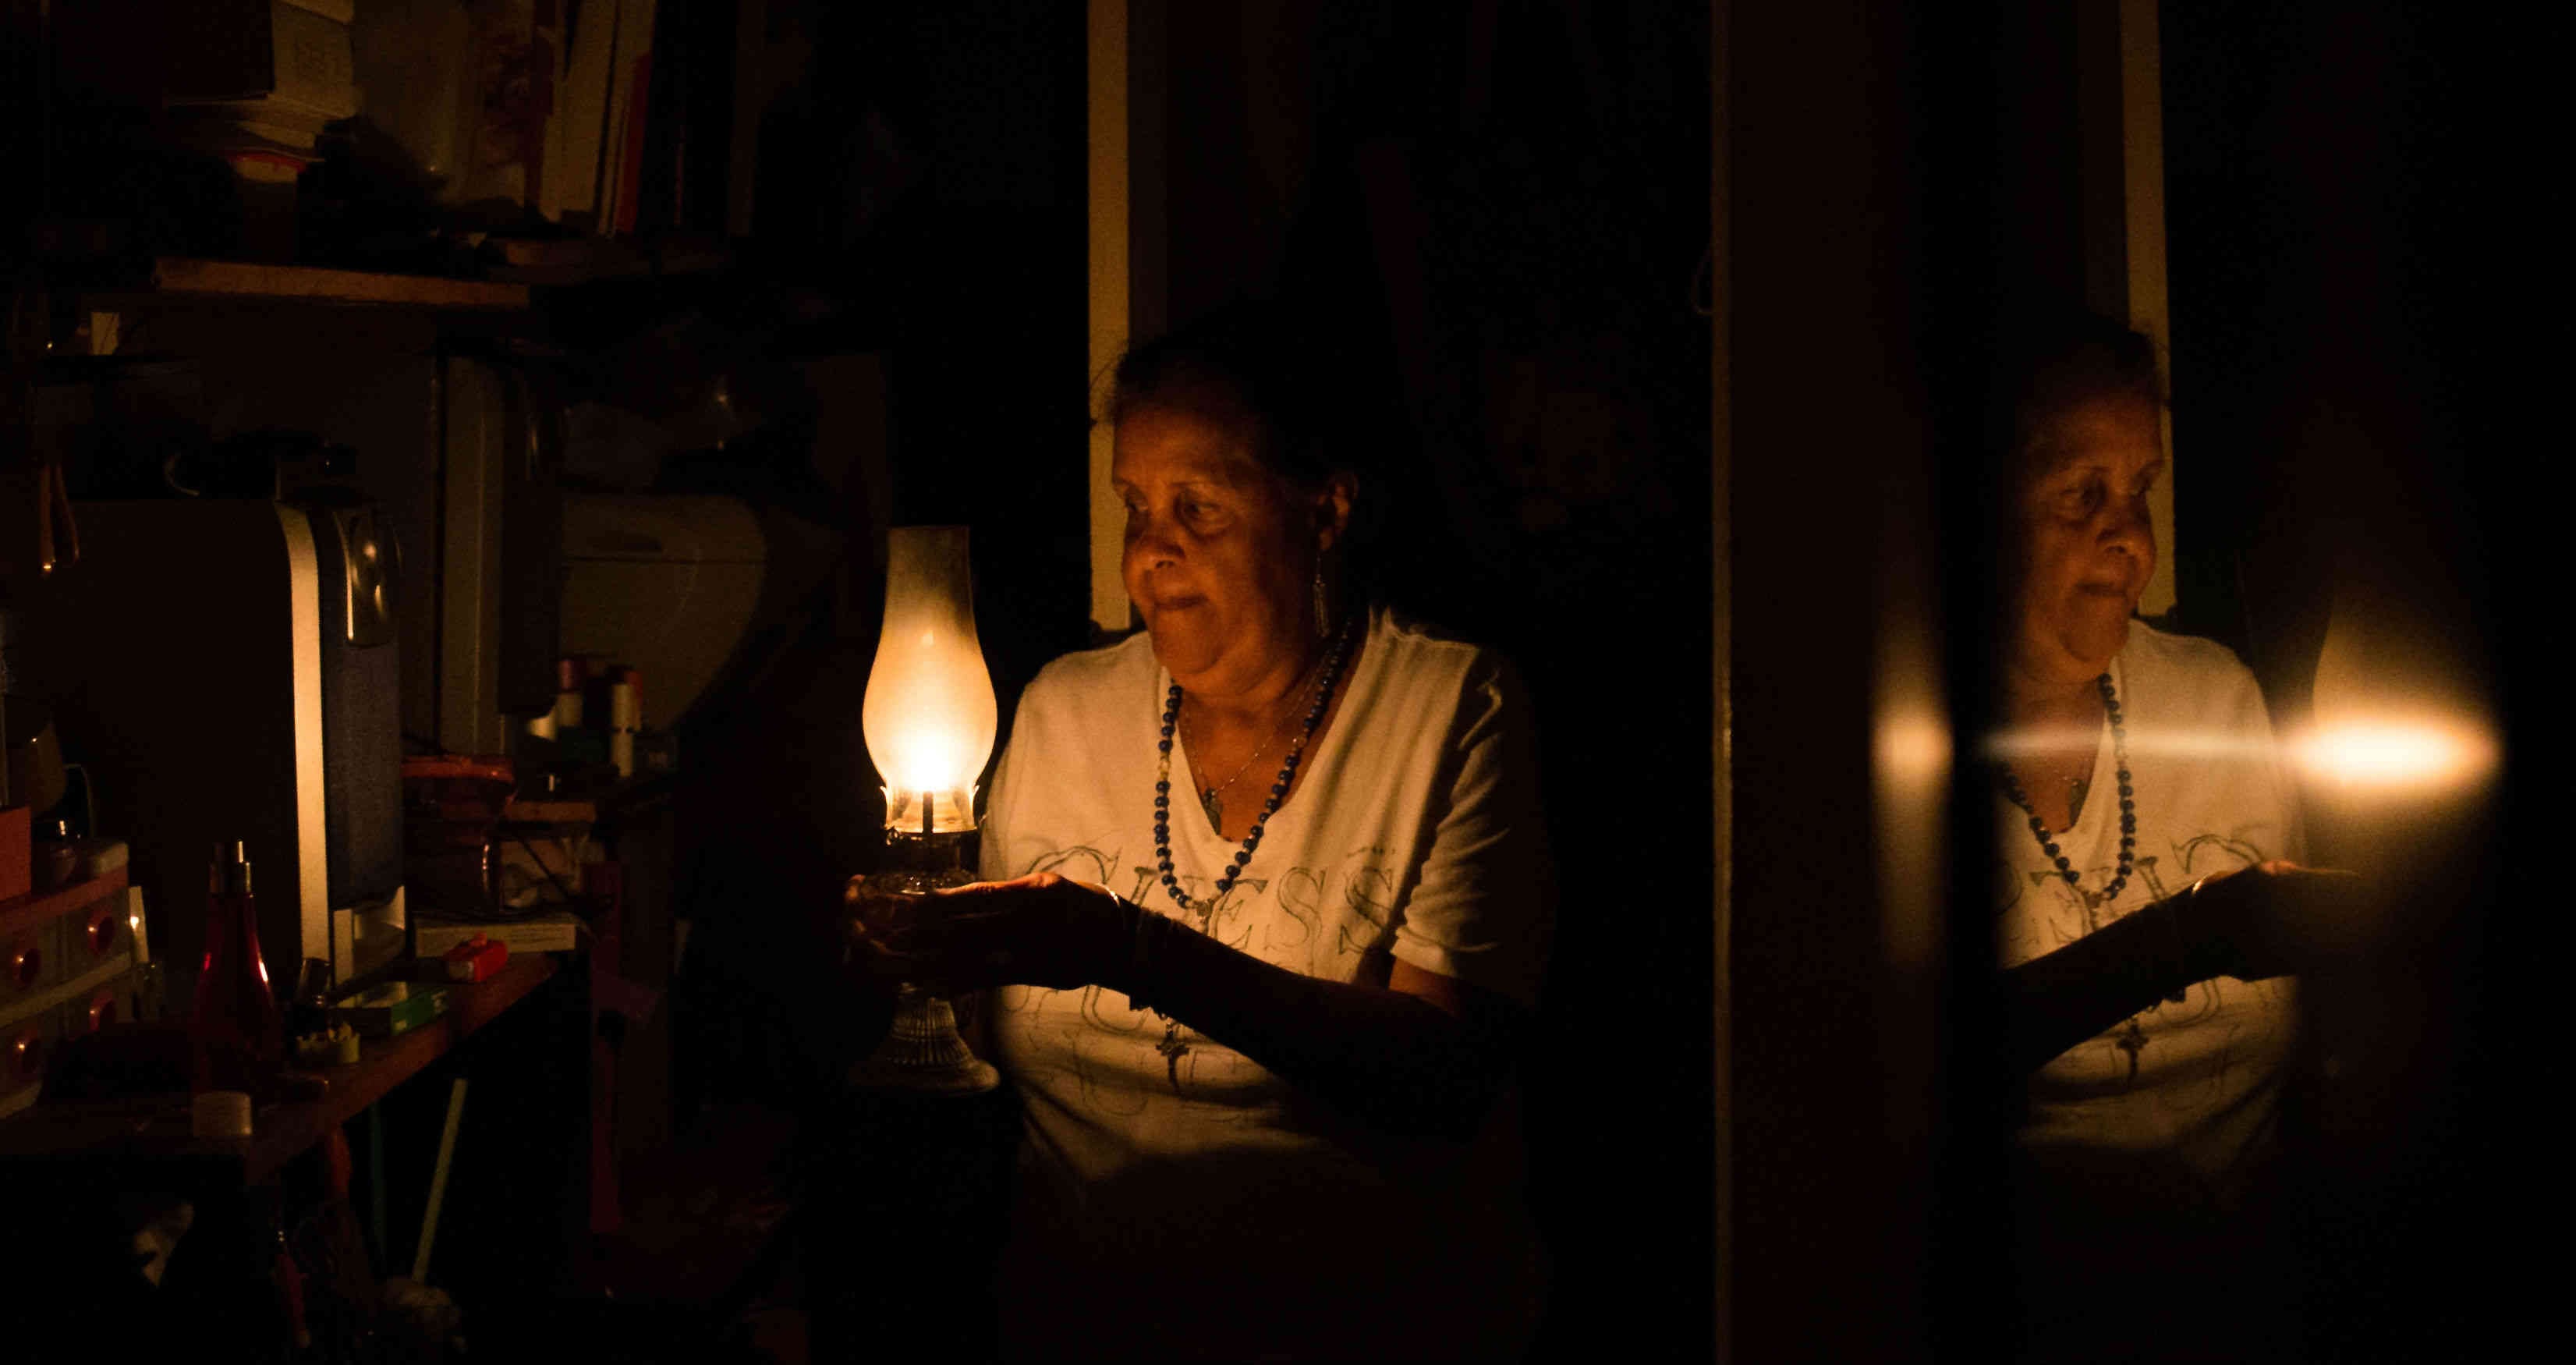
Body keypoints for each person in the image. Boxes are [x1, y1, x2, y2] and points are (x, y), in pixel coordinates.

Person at [854, 305, 1553, 1362]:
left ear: (1325, 508)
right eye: (1136, 505)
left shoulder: (1452, 710)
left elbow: (1440, 1076)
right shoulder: (1060, 711)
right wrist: (913, 953)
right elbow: (977, 1020)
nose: (1151, 553)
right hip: (1075, 1325)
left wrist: (1122, 948)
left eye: (1200, 508)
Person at [1985, 313, 2358, 1356]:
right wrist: (2195, 939)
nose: (2131, 538)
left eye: (2140, 488)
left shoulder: (2211, 700)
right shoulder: (1889, 754)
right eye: (2081, 494)